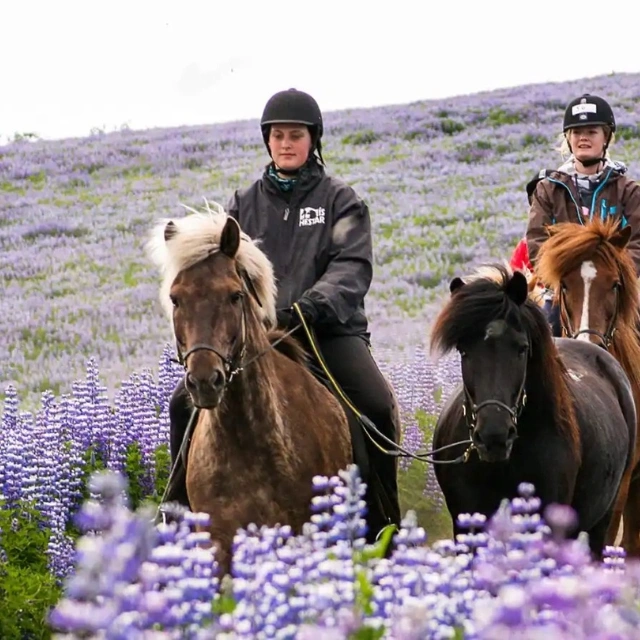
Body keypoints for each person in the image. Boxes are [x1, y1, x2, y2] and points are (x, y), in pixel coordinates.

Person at [165, 88, 401, 542]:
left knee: (373, 405)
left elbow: (352, 269)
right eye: (277, 136)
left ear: (313, 140)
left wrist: (309, 308)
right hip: (256, 335)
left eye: (295, 135)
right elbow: (222, 270)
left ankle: (381, 521)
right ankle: (176, 517)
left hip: (326, 333)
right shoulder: (244, 205)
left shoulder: (341, 201)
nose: (286, 143)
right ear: (267, 141)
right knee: (182, 403)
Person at [526, 93, 640, 275]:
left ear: (606, 138)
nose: (583, 138)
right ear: (568, 139)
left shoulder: (629, 191)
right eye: (576, 132)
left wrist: (610, 274)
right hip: (562, 288)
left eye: (591, 132)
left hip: (614, 287)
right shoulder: (548, 189)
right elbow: (536, 241)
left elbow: (638, 242)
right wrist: (563, 275)